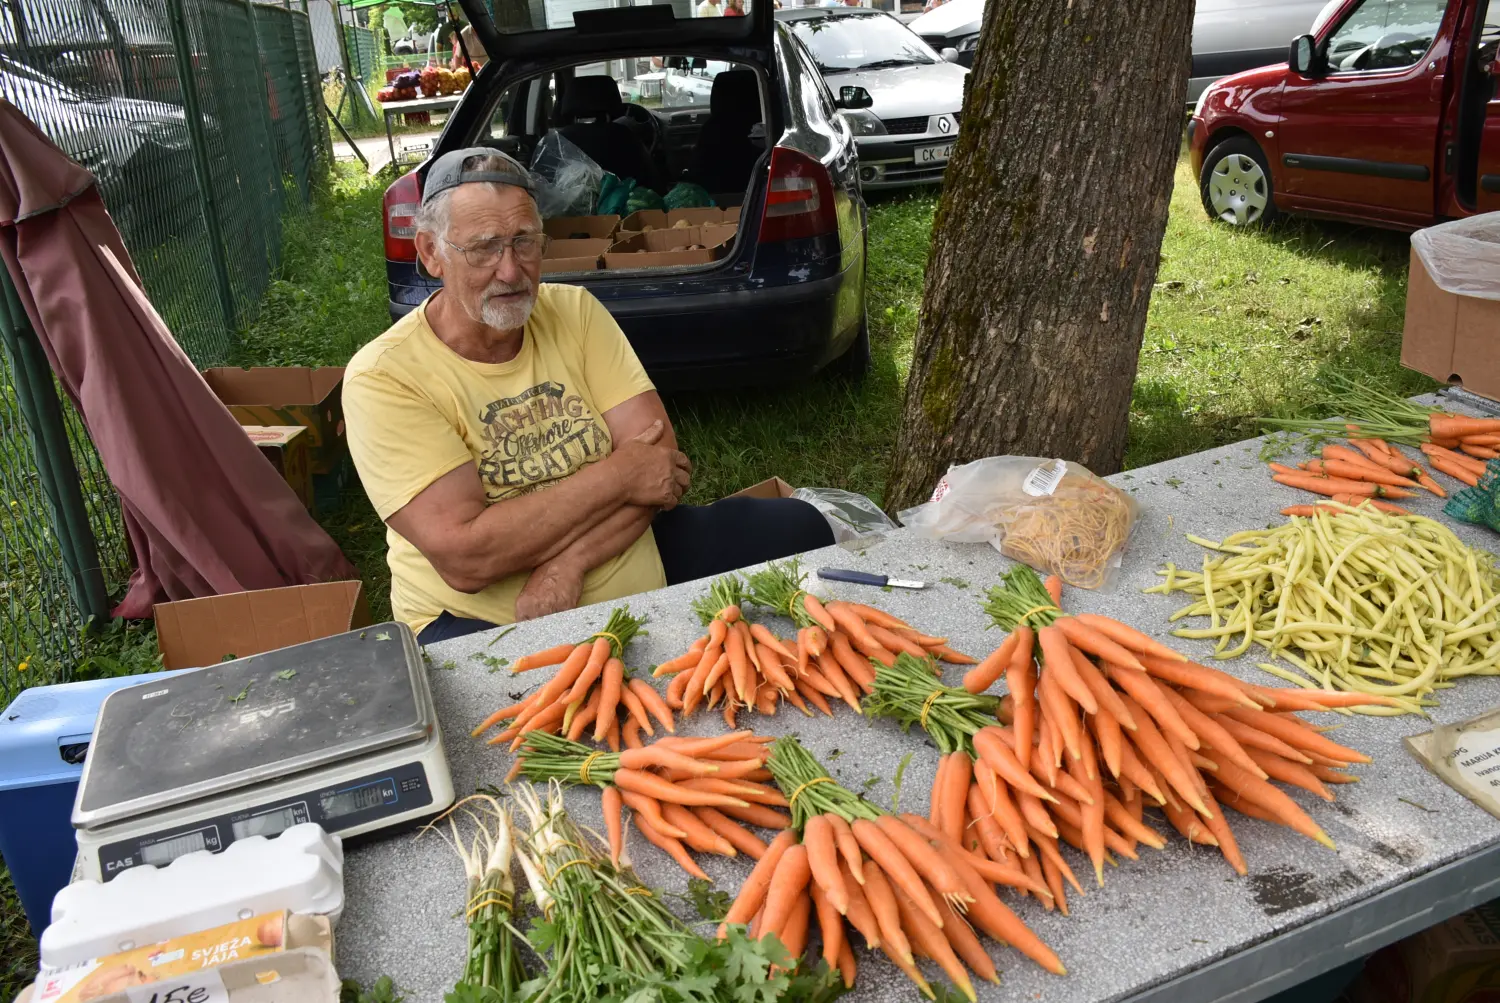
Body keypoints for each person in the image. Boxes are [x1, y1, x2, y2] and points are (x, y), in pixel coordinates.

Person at [343, 149, 834, 645]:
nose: (511, 271)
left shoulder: (575, 310)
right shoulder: (386, 376)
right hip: (490, 619)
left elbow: (660, 469)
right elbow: (468, 557)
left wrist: (567, 565)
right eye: (484, 249)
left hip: (632, 557)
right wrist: (621, 474)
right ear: (430, 252)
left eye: (524, 242)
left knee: (806, 528)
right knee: (561, 716)